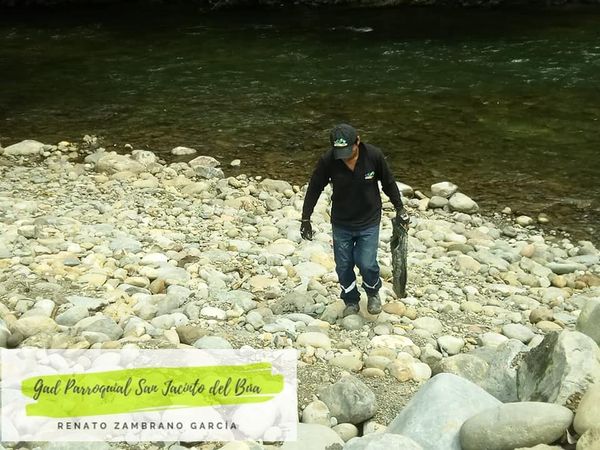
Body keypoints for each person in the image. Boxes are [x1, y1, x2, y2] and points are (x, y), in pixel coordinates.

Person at [300, 123, 409, 317]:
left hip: (369, 220)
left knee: (366, 262)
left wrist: (400, 208)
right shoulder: (328, 160)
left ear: (357, 141)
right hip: (341, 222)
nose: (344, 156)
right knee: (343, 265)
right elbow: (315, 187)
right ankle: (350, 300)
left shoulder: (373, 156)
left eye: (347, 150)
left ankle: (373, 292)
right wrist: (305, 218)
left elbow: (388, 182)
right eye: (339, 152)